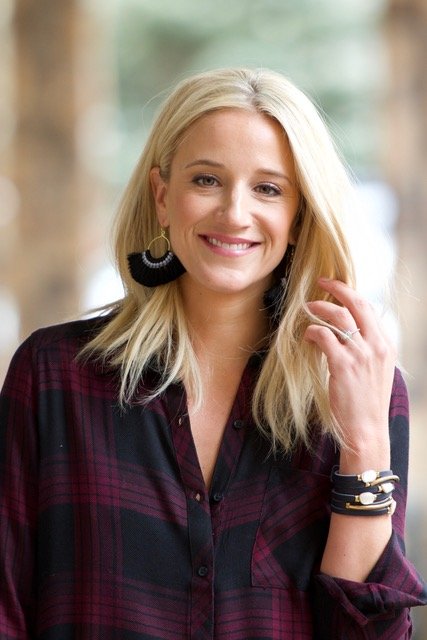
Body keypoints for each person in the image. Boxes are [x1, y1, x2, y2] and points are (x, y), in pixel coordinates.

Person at [0, 67, 426, 640]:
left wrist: (365, 440)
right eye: (206, 180)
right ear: (162, 196)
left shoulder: (360, 389)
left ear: (299, 216)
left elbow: (366, 632)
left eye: (268, 189)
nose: (234, 213)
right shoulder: (53, 375)